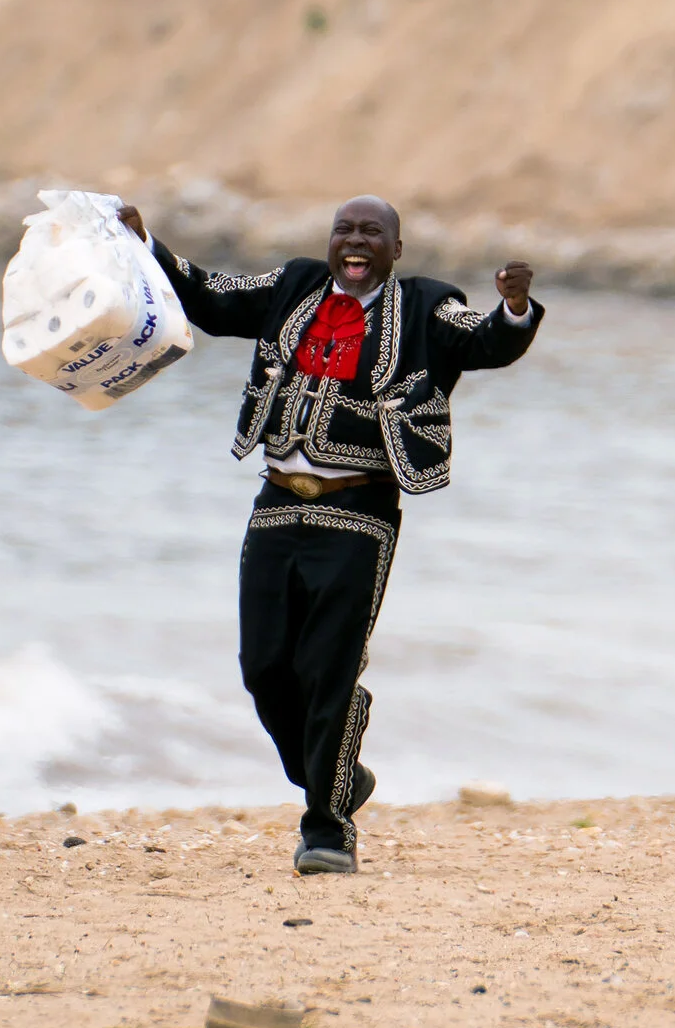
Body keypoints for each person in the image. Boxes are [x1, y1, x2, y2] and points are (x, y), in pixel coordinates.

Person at [117, 196, 541, 875]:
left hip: (359, 513)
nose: (355, 240)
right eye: (344, 229)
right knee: (264, 669)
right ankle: (340, 770)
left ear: (395, 249)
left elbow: (487, 341)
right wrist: (148, 246)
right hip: (276, 504)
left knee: (328, 673)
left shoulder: (428, 306)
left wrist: (513, 309)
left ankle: (328, 829)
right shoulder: (294, 284)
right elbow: (212, 296)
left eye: (372, 232)